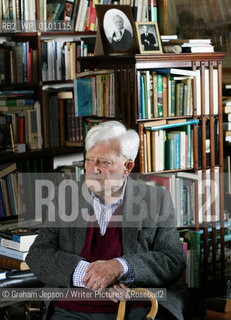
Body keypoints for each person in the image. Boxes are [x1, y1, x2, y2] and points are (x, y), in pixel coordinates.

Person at [26, 121, 186, 320]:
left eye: (104, 163)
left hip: (134, 303)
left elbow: (172, 261)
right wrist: (91, 275)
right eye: (89, 160)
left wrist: (120, 267)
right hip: (72, 305)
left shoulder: (155, 201)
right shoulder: (65, 198)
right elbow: (38, 254)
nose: (93, 169)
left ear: (127, 167)